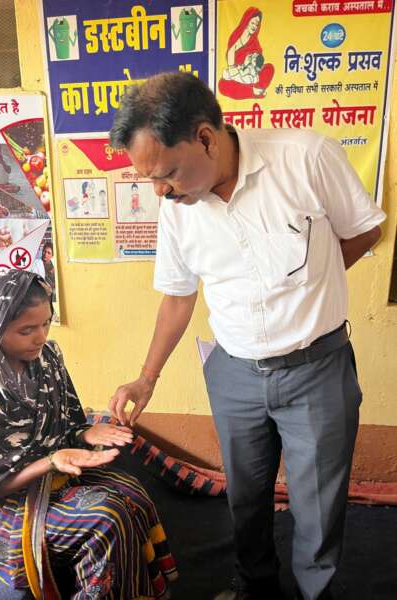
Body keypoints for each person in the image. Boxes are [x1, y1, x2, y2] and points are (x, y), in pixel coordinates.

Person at [108, 71, 386, 600]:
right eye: (150, 181)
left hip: (317, 370)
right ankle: (256, 586)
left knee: (318, 505)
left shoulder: (306, 159)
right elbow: (178, 296)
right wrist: (147, 377)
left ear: (205, 138)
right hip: (234, 373)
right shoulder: (178, 209)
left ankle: (314, 593)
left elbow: (364, 229)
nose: (161, 192)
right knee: (246, 497)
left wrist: (314, 287)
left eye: (166, 174)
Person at [0, 270, 177, 599]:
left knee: (133, 493)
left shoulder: (48, 358)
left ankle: (137, 589)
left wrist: (85, 434)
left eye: (46, 324)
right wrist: (52, 461)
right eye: (26, 330)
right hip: (7, 506)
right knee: (107, 519)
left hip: (55, 473)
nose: (40, 337)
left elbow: (67, 425)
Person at [218, 7, 274, 99]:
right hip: (236, 74)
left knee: (269, 68)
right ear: (246, 21)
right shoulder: (236, 35)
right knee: (222, 85)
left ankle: (256, 89)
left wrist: (254, 66)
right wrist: (233, 69)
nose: (254, 26)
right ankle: (253, 92)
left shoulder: (255, 42)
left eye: (257, 24)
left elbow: (259, 61)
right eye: (252, 23)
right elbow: (230, 52)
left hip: (251, 75)